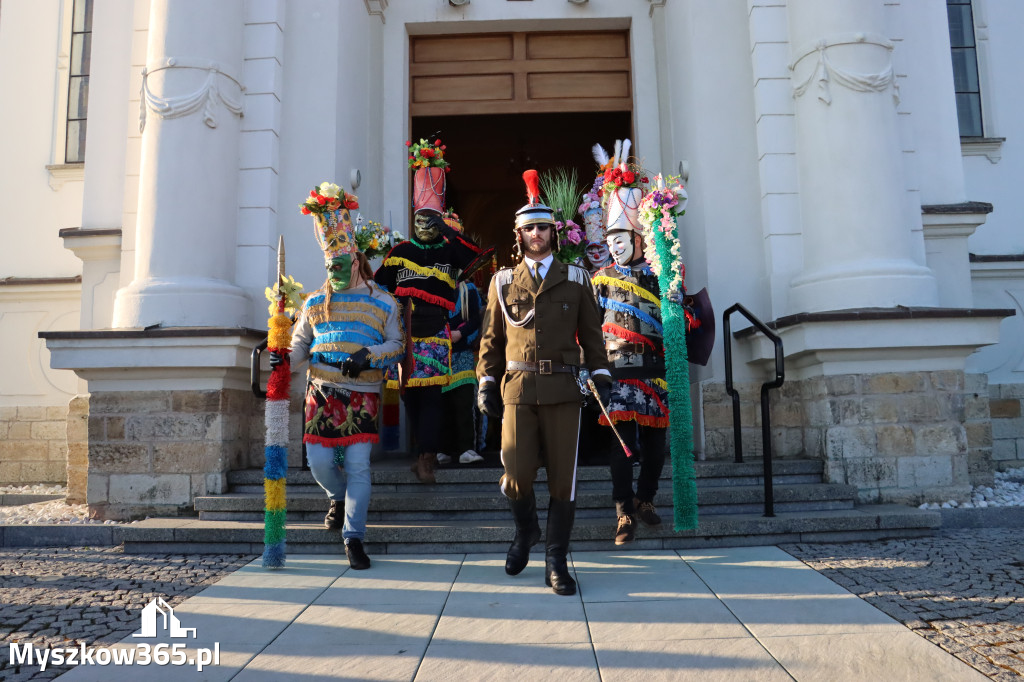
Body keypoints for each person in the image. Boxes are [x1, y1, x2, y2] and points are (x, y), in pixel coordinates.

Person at [477, 170, 612, 596]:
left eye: (544, 227)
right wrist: (485, 380)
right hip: (517, 389)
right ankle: (526, 532)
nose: (537, 234)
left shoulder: (576, 278)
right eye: (530, 228)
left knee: (562, 481)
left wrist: (602, 375)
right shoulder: (501, 282)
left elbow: (592, 336)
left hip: (563, 392)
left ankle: (556, 560)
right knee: (515, 474)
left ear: (555, 232)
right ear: (519, 234)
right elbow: (491, 339)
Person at [283, 192, 404, 570]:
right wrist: (280, 358)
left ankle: (354, 538)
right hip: (320, 391)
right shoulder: (314, 302)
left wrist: (368, 355)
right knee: (319, 463)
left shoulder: (384, 302)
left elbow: (397, 345)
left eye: (341, 262)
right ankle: (337, 497)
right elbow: (299, 346)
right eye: (329, 263)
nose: (335, 270)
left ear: (355, 259)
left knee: (359, 467)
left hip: (363, 392)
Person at [374, 144, 482, 483]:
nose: (424, 225)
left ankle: (428, 458)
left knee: (433, 397)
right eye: (419, 220)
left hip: (436, 333)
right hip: (404, 335)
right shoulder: (401, 251)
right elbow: (379, 289)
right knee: (412, 399)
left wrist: (448, 231)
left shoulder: (450, 250)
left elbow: (477, 261)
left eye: (430, 220)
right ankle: (421, 451)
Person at [591, 179, 670, 546]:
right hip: (617, 373)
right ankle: (623, 509)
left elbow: (679, 321)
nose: (613, 245)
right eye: (609, 240)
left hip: (655, 372)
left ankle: (646, 498)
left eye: (620, 238)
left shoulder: (662, 276)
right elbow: (588, 327)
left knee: (655, 448)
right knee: (622, 446)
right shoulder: (601, 279)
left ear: (639, 239)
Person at [438, 274, 485, 466]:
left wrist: (461, 333)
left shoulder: (469, 290)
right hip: (438, 354)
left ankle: (467, 448)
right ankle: (443, 449)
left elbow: (476, 318)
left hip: (463, 352)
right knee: (441, 405)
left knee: (464, 403)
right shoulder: (431, 288)